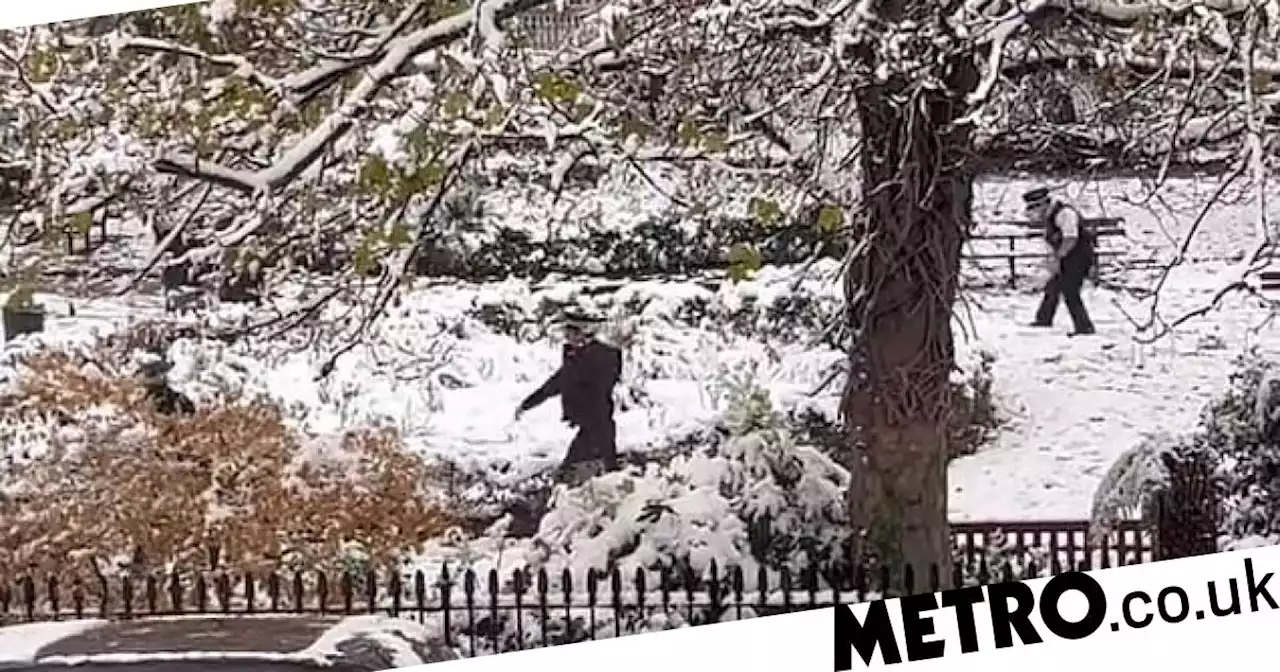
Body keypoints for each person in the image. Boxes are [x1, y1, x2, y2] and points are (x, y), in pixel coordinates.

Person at [514, 309, 623, 485]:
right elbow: (558, 382)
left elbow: (600, 390)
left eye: (571, 331)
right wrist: (528, 403)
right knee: (589, 476)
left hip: (597, 426)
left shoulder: (605, 356)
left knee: (582, 476)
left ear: (585, 332)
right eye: (566, 332)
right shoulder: (573, 354)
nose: (567, 336)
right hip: (588, 426)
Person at [1024, 187, 1096, 336]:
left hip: (1079, 255)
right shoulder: (1051, 217)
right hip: (1067, 255)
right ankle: (1044, 319)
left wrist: (1058, 256)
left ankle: (1084, 327)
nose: (1034, 213)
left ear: (1043, 204)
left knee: (1070, 290)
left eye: (1034, 207)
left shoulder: (1064, 214)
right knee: (1053, 286)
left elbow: (1071, 238)